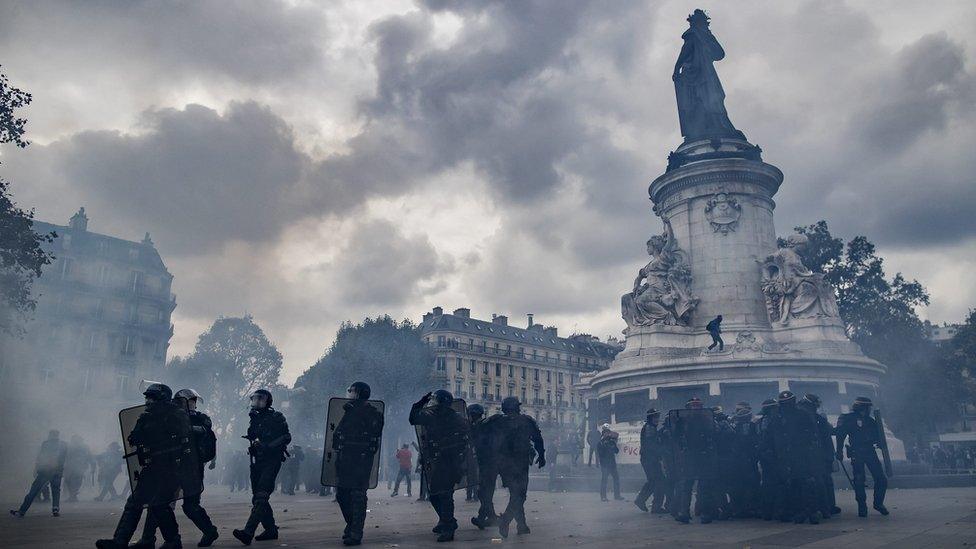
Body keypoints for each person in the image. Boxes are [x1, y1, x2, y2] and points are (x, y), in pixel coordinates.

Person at [95, 383, 196, 549]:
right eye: (147, 397)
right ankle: (120, 541)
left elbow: (185, 435)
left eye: (152, 397)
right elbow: (135, 437)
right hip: (151, 468)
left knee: (159, 505)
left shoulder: (176, 414)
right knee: (134, 503)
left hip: (170, 469)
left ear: (162, 398)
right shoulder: (146, 417)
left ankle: (173, 541)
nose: (148, 401)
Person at [133, 388, 219, 548]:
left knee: (190, 506)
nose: (193, 405)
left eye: (194, 402)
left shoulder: (201, 418)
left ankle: (210, 531)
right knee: (158, 502)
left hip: (192, 468)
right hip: (172, 466)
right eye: (190, 401)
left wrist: (188, 428)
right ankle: (148, 539)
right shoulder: (171, 416)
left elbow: (206, 432)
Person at [409, 390, 470, 542]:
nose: (432, 403)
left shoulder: (436, 417)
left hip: (450, 461)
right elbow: (413, 419)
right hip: (442, 461)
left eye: (434, 400)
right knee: (435, 494)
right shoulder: (454, 417)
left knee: (444, 494)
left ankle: (448, 528)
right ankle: (446, 520)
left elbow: (413, 417)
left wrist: (421, 402)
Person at [233, 389, 291, 545]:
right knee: (257, 497)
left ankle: (248, 532)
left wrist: (267, 446)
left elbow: (286, 437)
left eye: (261, 399)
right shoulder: (255, 417)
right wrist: (255, 446)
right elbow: (254, 436)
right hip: (258, 461)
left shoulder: (276, 417)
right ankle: (270, 529)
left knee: (261, 496)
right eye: (255, 398)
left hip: (272, 461)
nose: (257, 401)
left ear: (268, 401)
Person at [333, 381, 385, 546]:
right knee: (341, 494)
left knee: (358, 495)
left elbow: (375, 432)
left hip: (361, 459)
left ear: (360, 393)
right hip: (346, 458)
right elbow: (338, 432)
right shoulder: (348, 410)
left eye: (352, 391)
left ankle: (356, 533)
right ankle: (351, 524)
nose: (349, 393)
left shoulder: (373, 413)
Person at [489, 397, 545, 538]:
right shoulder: (526, 421)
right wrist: (542, 456)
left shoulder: (497, 422)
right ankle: (506, 520)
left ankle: (522, 525)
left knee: (516, 494)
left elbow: (489, 442)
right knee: (520, 494)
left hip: (504, 464)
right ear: (517, 407)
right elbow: (538, 439)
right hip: (520, 464)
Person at [768, 391, 821, 524]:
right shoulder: (776, 417)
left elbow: (812, 434)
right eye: (784, 404)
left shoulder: (802, 415)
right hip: (784, 456)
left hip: (801, 455)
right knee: (789, 485)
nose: (786, 406)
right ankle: (796, 511)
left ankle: (811, 511)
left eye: (788, 403)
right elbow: (770, 437)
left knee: (806, 483)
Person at [835, 396, 888, 517]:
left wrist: (880, 442)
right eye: (868, 407)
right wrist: (839, 451)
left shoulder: (871, 421)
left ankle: (878, 503)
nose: (869, 409)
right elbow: (840, 435)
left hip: (870, 451)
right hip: (856, 452)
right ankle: (862, 506)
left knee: (881, 478)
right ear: (864, 407)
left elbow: (877, 437)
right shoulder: (848, 419)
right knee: (859, 480)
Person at [10, 429, 67, 517]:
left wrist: (37, 468)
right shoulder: (63, 444)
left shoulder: (46, 444)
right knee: (56, 491)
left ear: (50, 435)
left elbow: (41, 457)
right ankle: (55, 509)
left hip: (45, 470)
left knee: (34, 490)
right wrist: (61, 470)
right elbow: (64, 459)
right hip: (57, 471)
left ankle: (21, 511)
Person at [800, 394, 840, 518]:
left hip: (818, 454)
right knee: (820, 481)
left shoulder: (815, 416)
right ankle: (823, 507)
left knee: (823, 481)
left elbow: (827, 432)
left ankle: (825, 507)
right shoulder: (807, 416)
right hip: (812, 455)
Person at [467, 404, 498, 529]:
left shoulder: (482, 426)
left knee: (485, 492)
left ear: (474, 415)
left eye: (470, 415)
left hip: (489, 464)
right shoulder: (481, 426)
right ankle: (491, 518)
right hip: (487, 464)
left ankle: (485, 518)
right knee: (485, 493)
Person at [727, 403, 759, 518]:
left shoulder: (733, 427)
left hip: (741, 462)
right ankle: (747, 508)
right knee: (748, 485)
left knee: (741, 486)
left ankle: (741, 508)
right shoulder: (752, 426)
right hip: (746, 462)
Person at [634, 408, 669, 514]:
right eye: (654, 417)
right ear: (650, 418)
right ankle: (655, 507)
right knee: (659, 482)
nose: (657, 419)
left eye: (657, 417)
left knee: (653, 481)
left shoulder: (651, 428)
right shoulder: (649, 428)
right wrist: (663, 451)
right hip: (650, 459)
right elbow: (652, 445)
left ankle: (642, 500)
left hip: (649, 459)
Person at [596, 424, 623, 502]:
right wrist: (608, 447)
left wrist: (613, 444)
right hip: (605, 465)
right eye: (606, 433)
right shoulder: (600, 443)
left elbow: (616, 451)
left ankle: (617, 495)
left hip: (612, 464)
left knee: (616, 479)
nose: (607, 434)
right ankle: (603, 497)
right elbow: (601, 455)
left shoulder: (611, 442)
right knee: (604, 480)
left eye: (608, 432)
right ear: (603, 433)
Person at [63, 434, 93, 503]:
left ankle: (72, 496)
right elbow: (65, 456)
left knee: (77, 482)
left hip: (80, 467)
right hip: (69, 467)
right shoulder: (69, 447)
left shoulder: (85, 447)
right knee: (68, 481)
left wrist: (92, 465)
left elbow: (89, 456)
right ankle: (73, 496)